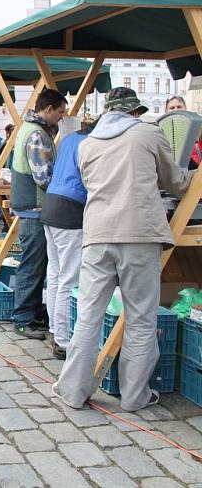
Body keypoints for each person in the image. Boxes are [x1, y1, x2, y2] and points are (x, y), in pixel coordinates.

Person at [54, 87, 194, 412]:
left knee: (88, 316)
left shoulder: (86, 144)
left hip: (97, 235)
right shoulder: (147, 132)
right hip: (139, 234)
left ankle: (73, 390)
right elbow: (175, 182)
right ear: (134, 112)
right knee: (141, 319)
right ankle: (134, 397)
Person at [10, 88, 67, 339]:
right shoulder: (37, 134)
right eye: (61, 113)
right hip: (34, 207)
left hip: (32, 206)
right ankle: (22, 317)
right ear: (49, 109)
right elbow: (44, 176)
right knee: (32, 266)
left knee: (38, 264)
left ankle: (32, 311)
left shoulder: (30, 129)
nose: (62, 118)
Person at [39, 118, 95, 359]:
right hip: (70, 210)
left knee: (55, 273)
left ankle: (54, 329)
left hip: (51, 205)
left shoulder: (71, 138)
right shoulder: (90, 143)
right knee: (69, 278)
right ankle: (62, 340)